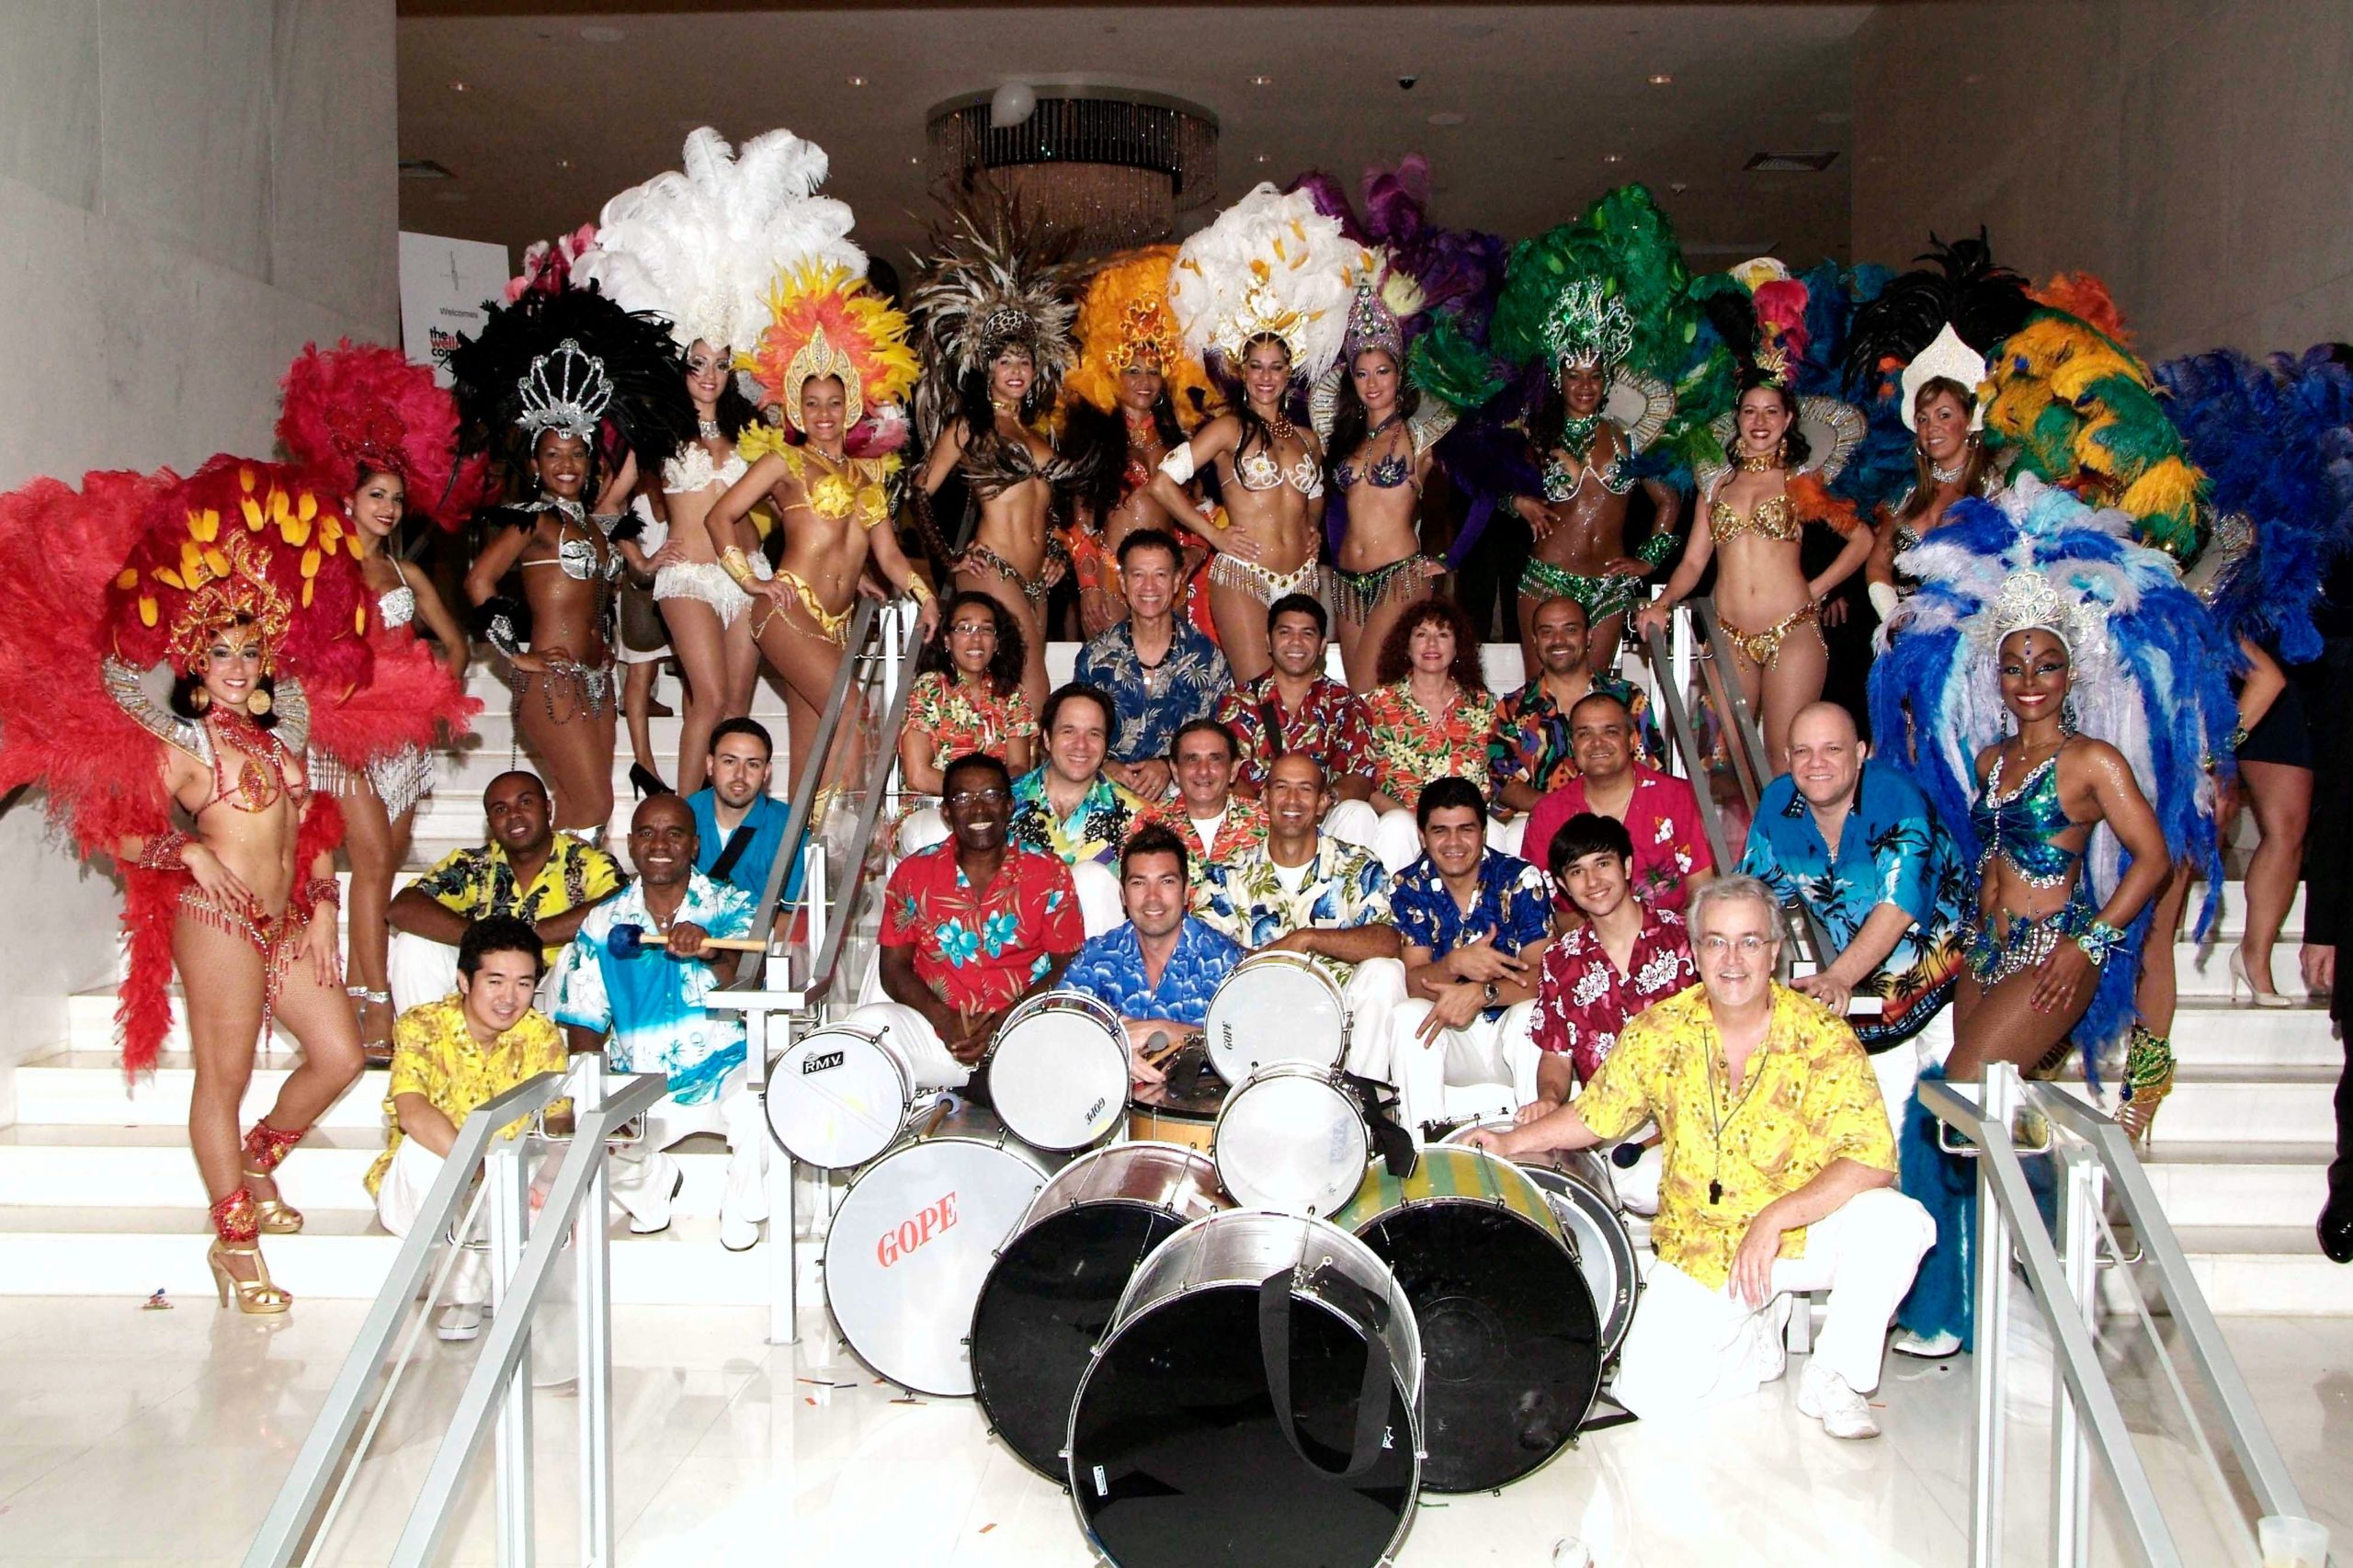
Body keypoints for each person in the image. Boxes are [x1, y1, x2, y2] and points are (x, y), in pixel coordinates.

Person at [1469, 878, 1931, 1439]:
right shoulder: (1659, 1030)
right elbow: (1596, 1114)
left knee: (1898, 1220)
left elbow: (1871, 1160)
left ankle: (1837, 1376)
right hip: (1706, 1244)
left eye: (1749, 942)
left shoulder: (1822, 1034)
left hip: (1801, 1231)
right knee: (1650, 1394)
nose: (1732, 960)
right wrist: (1509, 1142)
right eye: (1716, 942)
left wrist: (1775, 1218)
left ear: (1773, 951)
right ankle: (1756, 1329)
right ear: (1695, 951)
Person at [574, 126, 858, 797]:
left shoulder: (755, 435)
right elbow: (605, 507)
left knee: (736, 704)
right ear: (681, 365)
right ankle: (685, 820)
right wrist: (641, 562)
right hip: (687, 579)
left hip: (750, 576)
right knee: (706, 698)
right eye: (697, 362)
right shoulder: (657, 437)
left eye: (721, 363)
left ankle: (731, 817)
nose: (709, 374)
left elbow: (801, 495)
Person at [273, 341, 479, 1061]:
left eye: (395, 498)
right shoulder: (319, 566)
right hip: (342, 736)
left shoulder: (407, 572)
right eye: (376, 496)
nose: (389, 509)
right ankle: (375, 1004)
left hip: (405, 740)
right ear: (348, 498)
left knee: (384, 866)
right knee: (372, 865)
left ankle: (363, 993)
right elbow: (293, 647)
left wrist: (434, 698)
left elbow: (456, 645)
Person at [448, 265, 697, 842]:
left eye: (577, 454)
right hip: (552, 680)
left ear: (589, 461)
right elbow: (478, 582)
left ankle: (559, 896)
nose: (566, 465)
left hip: (597, 680)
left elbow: (631, 493)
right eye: (554, 455)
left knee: (585, 807)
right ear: (536, 464)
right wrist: (516, 655)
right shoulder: (531, 521)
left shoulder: (598, 526)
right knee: (592, 801)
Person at [712, 263, 936, 793]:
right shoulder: (784, 462)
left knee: (814, 754)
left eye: (833, 403)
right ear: (797, 409)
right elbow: (719, 515)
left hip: (838, 624)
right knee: (854, 717)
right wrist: (751, 580)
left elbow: (890, 556)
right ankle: (837, 838)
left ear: (851, 406)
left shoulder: (870, 475)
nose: (824, 414)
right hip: (787, 608)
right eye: (811, 404)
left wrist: (925, 596)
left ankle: (805, 843)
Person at [1154, 184, 1363, 680]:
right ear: (1241, 371)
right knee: (1258, 692)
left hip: (1302, 579)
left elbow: (1315, 497)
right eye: (1256, 366)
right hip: (1242, 576)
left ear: (1290, 372)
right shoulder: (1227, 428)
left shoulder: (1308, 439)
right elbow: (1162, 483)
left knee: (1302, 692)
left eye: (1275, 366)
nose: (1266, 377)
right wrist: (1213, 534)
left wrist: (1312, 530)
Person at [552, 794, 767, 1249]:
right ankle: (653, 1187)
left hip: (725, 1070)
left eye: (674, 834)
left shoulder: (733, 905)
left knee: (761, 1101)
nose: (660, 844)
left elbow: (754, 981)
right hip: (643, 1083)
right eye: (647, 833)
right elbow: (585, 1022)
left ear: (694, 845)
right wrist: (591, 1092)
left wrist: (712, 951)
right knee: (585, 1121)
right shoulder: (602, 922)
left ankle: (741, 1203)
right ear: (631, 844)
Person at [1634, 369, 1871, 775]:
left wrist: (1817, 588)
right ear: (1738, 418)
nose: (1760, 422)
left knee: (1785, 757)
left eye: (1771, 411)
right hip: (1730, 635)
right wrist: (1663, 603)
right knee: (1718, 758)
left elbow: (1863, 539)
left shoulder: (1800, 482)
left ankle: (1786, 821)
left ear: (1788, 419)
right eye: (1750, 411)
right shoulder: (1716, 487)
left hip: (1791, 632)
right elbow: (1693, 562)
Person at [1739, 703, 1965, 1127]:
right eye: (1802, 751)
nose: (1816, 763)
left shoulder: (1896, 799)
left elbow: (1898, 906)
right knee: (1882, 1131)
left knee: (1951, 1130)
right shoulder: (1777, 805)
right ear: (1787, 758)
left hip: (1950, 983)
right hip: (1871, 996)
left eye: (1832, 749)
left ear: (1861, 753)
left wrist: (1838, 977)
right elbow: (1753, 897)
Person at [911, 190, 1086, 712]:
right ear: (987, 367)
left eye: (1024, 362)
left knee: (1018, 692)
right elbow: (918, 492)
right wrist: (950, 558)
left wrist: (1056, 553)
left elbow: (1048, 510)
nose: (1016, 370)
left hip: (1034, 579)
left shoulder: (1042, 437)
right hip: (992, 566)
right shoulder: (969, 426)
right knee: (1034, 685)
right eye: (1005, 361)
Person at [368, 916, 567, 1340]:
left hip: (503, 1182)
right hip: (428, 1189)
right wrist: (479, 1171)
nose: (509, 998)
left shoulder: (540, 1034)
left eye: (523, 984)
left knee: (556, 1169)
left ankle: (479, 1277)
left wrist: (545, 1174)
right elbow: (412, 1111)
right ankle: (464, 1295)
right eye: (495, 982)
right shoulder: (422, 1024)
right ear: (464, 980)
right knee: (426, 1154)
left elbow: (557, 1117)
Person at [855, 752, 1086, 1088]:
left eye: (991, 795)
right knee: (869, 1025)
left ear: (1009, 805)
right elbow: (893, 969)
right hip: (939, 1037)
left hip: (1024, 1034)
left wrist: (1004, 1020)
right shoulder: (914, 873)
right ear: (946, 812)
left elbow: (1068, 967)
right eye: (963, 798)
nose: (978, 809)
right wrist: (944, 1020)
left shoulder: (1048, 872)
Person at [1196, 753, 1409, 1085]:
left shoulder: (1357, 865)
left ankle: (1362, 1100)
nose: (1292, 800)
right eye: (1282, 787)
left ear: (1323, 802)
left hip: (1344, 1025)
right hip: (1262, 1021)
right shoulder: (1227, 875)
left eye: (1305, 789)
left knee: (1386, 972)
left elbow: (1388, 941)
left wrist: (1307, 938)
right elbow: (1205, 956)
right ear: (1265, 797)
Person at [1526, 813, 1698, 1213]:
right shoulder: (1560, 961)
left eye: (1603, 864)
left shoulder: (1687, 937)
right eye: (1577, 871)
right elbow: (1555, 1055)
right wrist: (1549, 1099)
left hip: (1697, 1105)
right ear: (1563, 886)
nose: (1593, 881)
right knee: (1644, 1183)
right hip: (1616, 1119)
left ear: (1627, 866)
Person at [1061, 246, 1221, 640]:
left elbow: (1201, 510)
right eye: (1132, 371)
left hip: (1166, 578)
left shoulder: (1179, 442)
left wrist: (1194, 551)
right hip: (1110, 574)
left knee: (1170, 669)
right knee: (1113, 672)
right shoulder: (1095, 442)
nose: (1144, 381)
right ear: (1112, 376)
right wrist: (1089, 585)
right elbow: (1079, 521)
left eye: (1153, 371)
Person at [1387, 778, 1552, 1136]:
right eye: (1440, 831)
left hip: (1508, 1031)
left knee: (1530, 1015)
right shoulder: (1410, 885)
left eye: (1466, 829)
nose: (1454, 843)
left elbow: (1545, 977)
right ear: (1422, 836)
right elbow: (1414, 982)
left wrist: (1483, 993)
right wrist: (1454, 964)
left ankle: (1537, 1150)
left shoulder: (1520, 879)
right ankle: (1423, 1152)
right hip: (1451, 1037)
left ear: (1483, 832)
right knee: (1406, 1015)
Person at [388, 770, 622, 1014]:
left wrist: (523, 937)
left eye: (526, 802)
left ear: (548, 809)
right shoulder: (474, 865)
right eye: (501, 809)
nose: (514, 815)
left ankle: (571, 1041)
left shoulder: (584, 861)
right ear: (490, 823)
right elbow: (403, 907)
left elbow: (618, 903)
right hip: (483, 990)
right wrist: (485, 939)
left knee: (585, 953)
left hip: (552, 997)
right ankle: (426, 1037)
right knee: (413, 944)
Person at [1318, 273, 1454, 688]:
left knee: (1372, 688)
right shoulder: (1345, 439)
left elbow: (1480, 493)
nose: (1373, 383)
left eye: (1382, 371)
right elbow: (1336, 512)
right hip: (1347, 580)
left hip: (1399, 577)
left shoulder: (1420, 436)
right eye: (1362, 374)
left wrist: (1450, 557)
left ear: (1399, 374)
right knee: (1361, 694)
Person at [1062, 824, 1247, 1078]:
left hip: (1201, 1101)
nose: (1153, 898)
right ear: (1123, 895)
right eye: (1139, 883)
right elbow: (1053, 1028)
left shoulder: (1223, 962)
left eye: (1166, 882)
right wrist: (1110, 1040)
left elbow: (1251, 1044)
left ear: (1186, 892)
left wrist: (1171, 1032)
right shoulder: (1098, 956)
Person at [1487, 595, 1662, 853]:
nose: (1558, 640)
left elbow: (1651, 767)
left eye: (1570, 630)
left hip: (1620, 819)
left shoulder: (1627, 697)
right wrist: (1562, 810)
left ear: (1588, 636)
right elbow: (1503, 781)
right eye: (1547, 632)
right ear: (1535, 640)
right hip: (1541, 823)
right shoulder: (1513, 708)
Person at [1074, 528, 1232, 801]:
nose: (1149, 587)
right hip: (1105, 795)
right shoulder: (1095, 657)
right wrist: (1105, 766)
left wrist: (1169, 766)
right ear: (1123, 582)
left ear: (1177, 581)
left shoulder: (1208, 658)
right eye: (1138, 575)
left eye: (1160, 575)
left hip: (1185, 796)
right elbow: (1075, 731)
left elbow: (1220, 742)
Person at [1521, 691, 1715, 913]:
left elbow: (1702, 892)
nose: (1597, 743)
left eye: (1610, 731)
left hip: (1671, 931)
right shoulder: (1548, 813)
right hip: (1582, 932)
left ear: (1632, 741)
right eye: (1584, 734)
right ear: (1572, 745)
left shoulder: (1678, 797)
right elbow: (1534, 910)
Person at [1215, 594, 1380, 843]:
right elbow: (1226, 773)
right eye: (1285, 632)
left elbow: (1362, 774)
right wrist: (1267, 810)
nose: (1296, 642)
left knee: (1359, 813)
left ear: (1322, 645)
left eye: (1307, 633)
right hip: (1257, 821)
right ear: (1269, 641)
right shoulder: (1239, 702)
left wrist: (1326, 799)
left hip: (1322, 821)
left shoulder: (1345, 704)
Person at [1359, 597, 1498, 872]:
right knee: (1398, 828)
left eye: (1443, 635)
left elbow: (1493, 779)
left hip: (1464, 817)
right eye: (1421, 635)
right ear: (1406, 645)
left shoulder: (1483, 705)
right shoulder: (1378, 704)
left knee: (1492, 831)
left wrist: (1453, 821)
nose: (1432, 644)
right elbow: (1365, 781)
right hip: (1401, 819)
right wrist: (1418, 821)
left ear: (1457, 647)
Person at [895, 590, 1038, 856]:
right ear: (946, 640)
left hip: (996, 812)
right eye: (965, 628)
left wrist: (987, 802)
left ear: (997, 642)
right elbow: (917, 775)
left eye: (986, 629)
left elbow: (1019, 767)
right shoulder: (928, 688)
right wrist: (972, 798)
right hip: (935, 808)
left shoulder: (1012, 694)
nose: (976, 638)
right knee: (939, 834)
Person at [1008, 683, 1147, 935]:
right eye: (1068, 731)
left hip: (1098, 952)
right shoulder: (1004, 803)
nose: (1081, 745)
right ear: (1047, 739)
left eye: (1094, 733)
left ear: (1106, 745)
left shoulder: (1136, 815)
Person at [1140, 718, 1268, 869]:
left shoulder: (1266, 824)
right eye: (1192, 759)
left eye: (1215, 759)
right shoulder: (1145, 825)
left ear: (1233, 769)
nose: (1203, 771)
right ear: (1175, 770)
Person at [686, 719, 790, 903]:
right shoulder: (684, 815)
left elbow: (795, 911)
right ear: (710, 764)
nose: (740, 775)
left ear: (766, 772)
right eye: (729, 761)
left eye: (753, 764)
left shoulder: (788, 826)